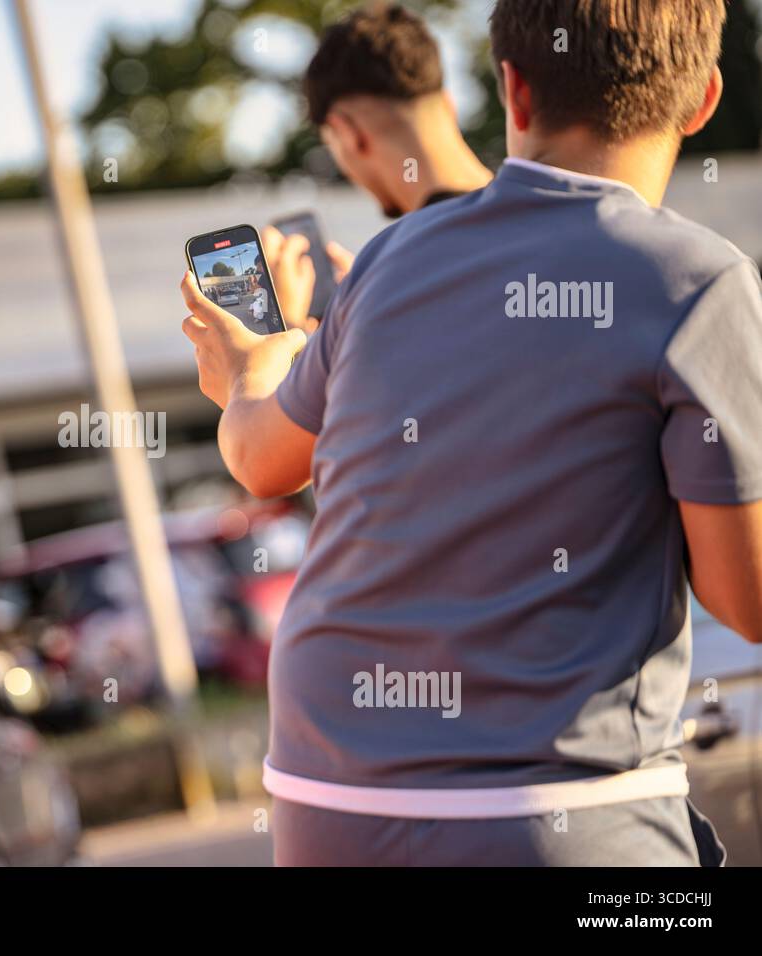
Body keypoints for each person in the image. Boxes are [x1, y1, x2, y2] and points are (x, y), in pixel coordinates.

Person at [181, 0, 762, 866]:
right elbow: (745, 598)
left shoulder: (386, 262)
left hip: (319, 799)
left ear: (512, 90)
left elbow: (260, 458)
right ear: (705, 98)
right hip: (559, 811)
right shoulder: (698, 280)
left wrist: (254, 360)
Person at [266, 3, 493, 333]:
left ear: (348, 133)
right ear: (449, 105)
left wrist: (293, 337)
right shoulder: (563, 214)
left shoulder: (395, 281)